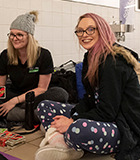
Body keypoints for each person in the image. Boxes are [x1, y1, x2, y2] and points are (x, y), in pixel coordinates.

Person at [36, 13, 140, 160]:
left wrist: (72, 122)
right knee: (44, 107)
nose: (84, 35)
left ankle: (61, 137)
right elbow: (90, 99)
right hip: (99, 114)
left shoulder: (113, 62)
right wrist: (75, 114)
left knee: (77, 129)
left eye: (91, 29)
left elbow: (108, 112)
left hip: (122, 125)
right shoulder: (90, 57)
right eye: (80, 31)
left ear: (102, 30)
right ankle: (65, 145)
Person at [0, 11, 68, 123]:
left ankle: (12, 113)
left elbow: (42, 88)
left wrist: (14, 102)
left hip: (35, 95)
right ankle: (29, 114)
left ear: (29, 36)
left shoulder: (44, 55)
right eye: (12, 34)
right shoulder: (5, 55)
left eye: (19, 35)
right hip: (15, 92)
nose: (14, 38)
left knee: (60, 94)